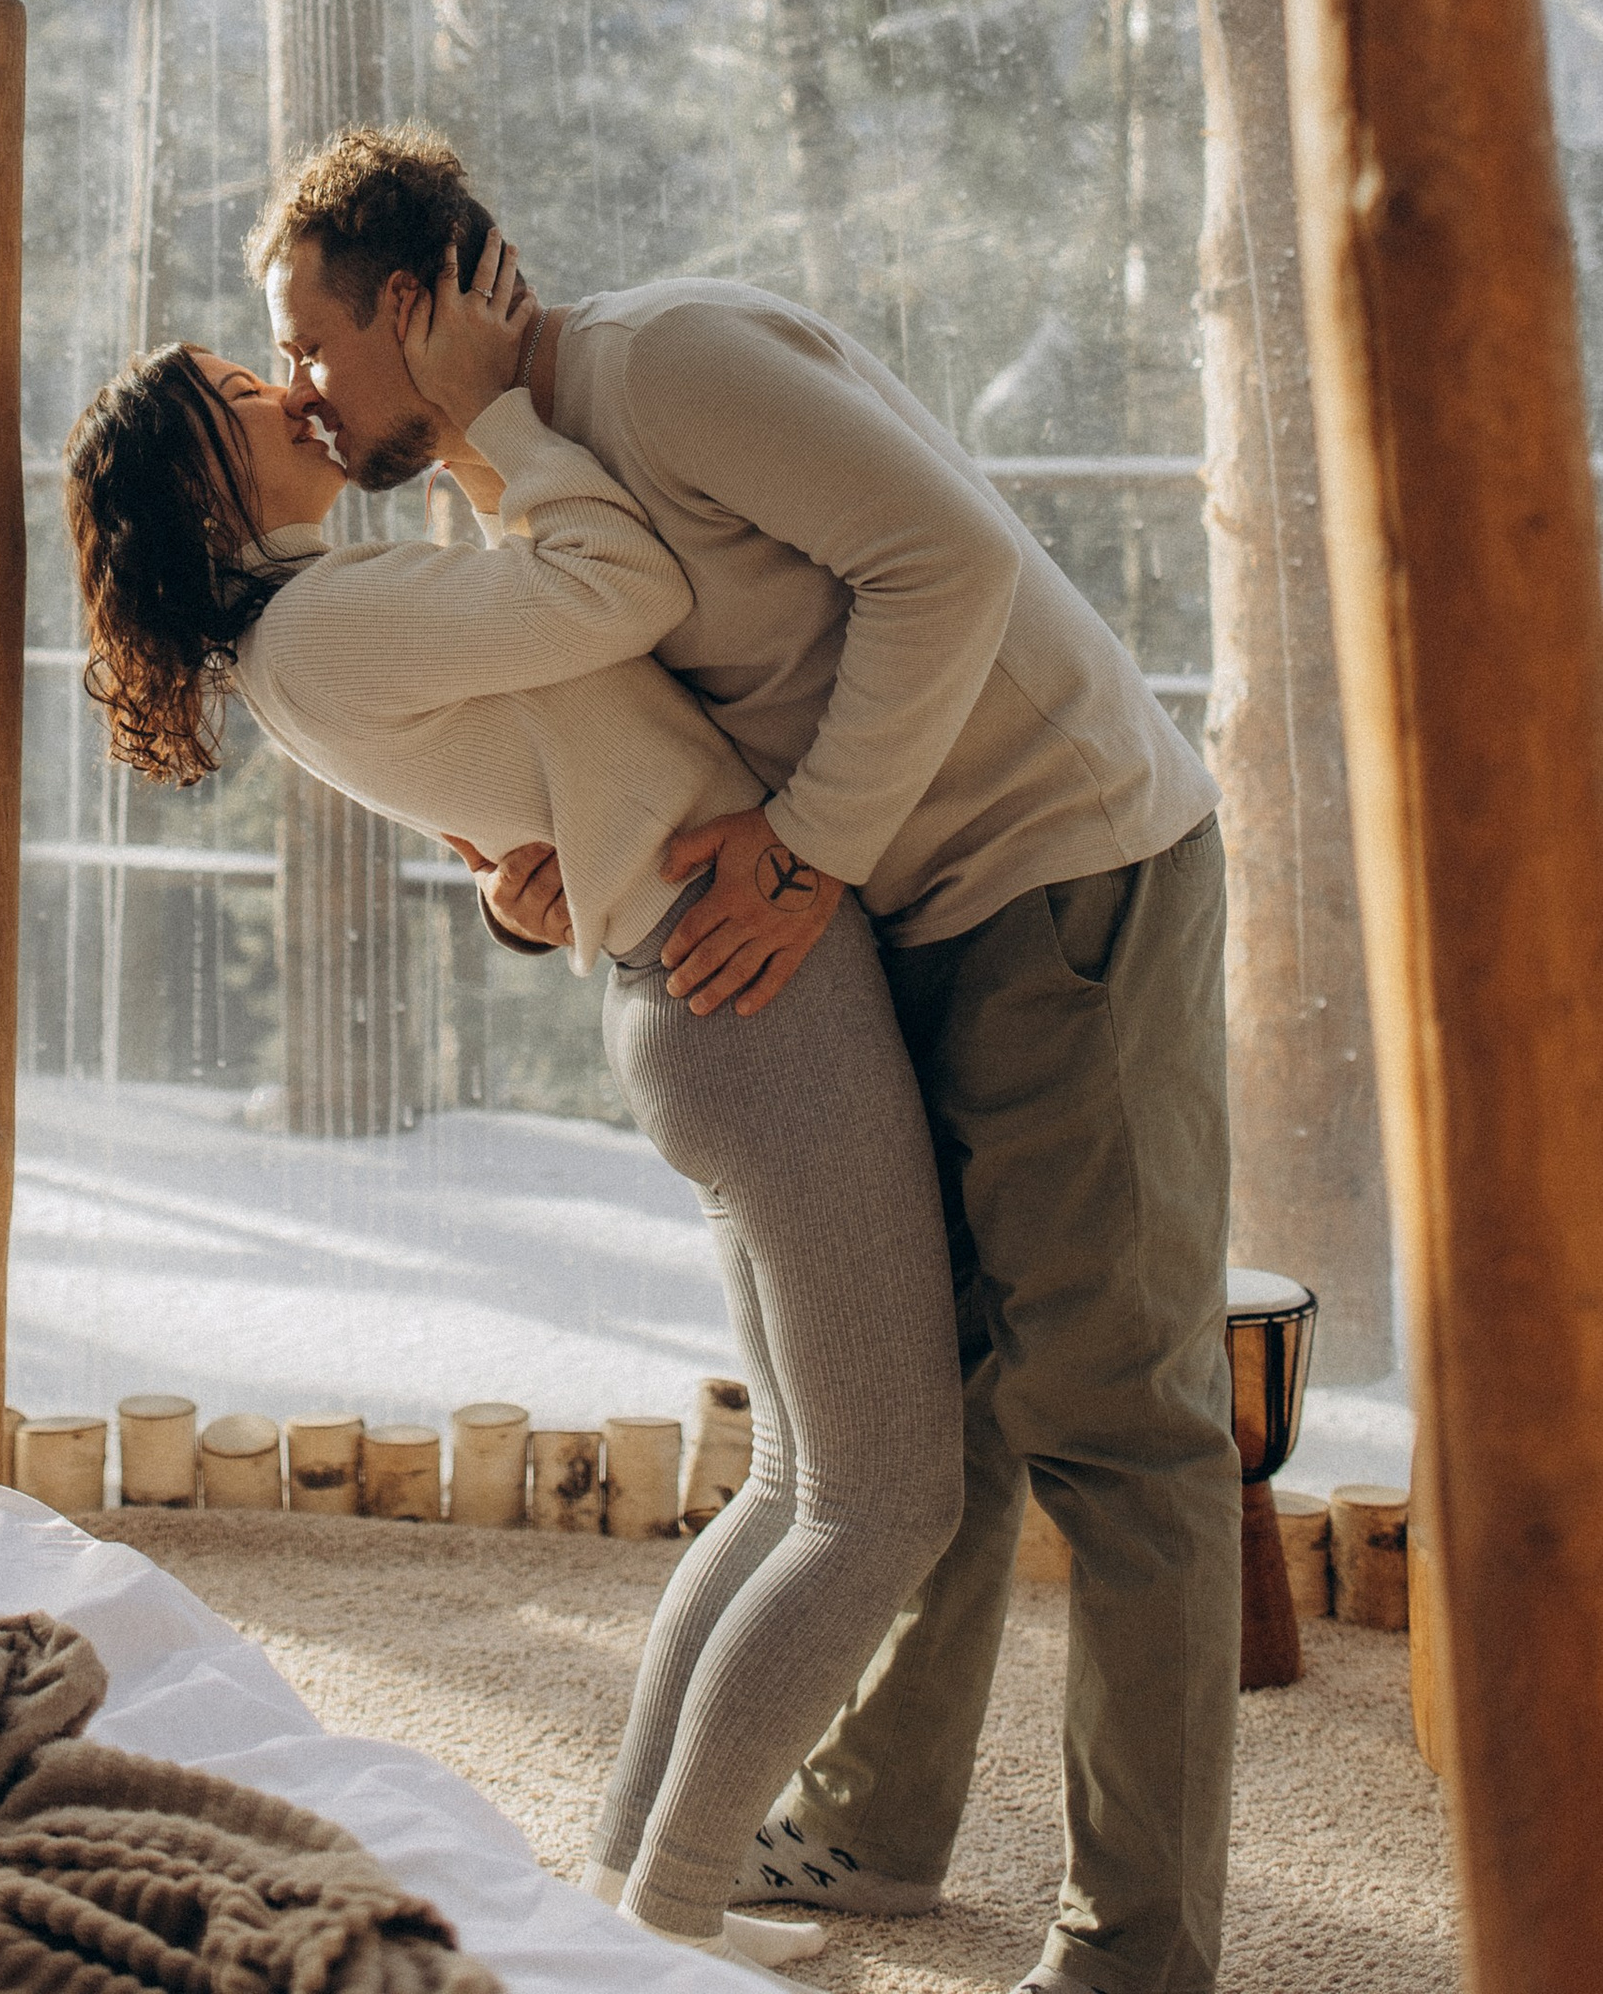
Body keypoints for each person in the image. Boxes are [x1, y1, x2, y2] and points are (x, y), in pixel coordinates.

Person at [250, 126, 1234, 1994]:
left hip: (1062, 868)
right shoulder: (514, 483)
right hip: (883, 918)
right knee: (913, 1416)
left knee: (1119, 1428)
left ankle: (1140, 1951)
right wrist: (538, 893)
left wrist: (802, 856)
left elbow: (945, 566)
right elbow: (617, 750)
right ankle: (874, 1820)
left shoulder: (670, 363)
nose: (300, 391)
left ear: (408, 303)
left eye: (307, 343)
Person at [63, 231, 963, 1977]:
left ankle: (634, 1898)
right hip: (747, 990)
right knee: (881, 1501)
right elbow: (621, 588)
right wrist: (492, 422)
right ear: (204, 481)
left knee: (797, 1481)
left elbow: (534, 761)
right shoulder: (323, 624)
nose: (296, 389)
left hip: (704, 993)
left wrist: (517, 863)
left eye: (285, 362)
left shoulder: (313, 629)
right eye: (254, 392)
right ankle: (672, 1935)